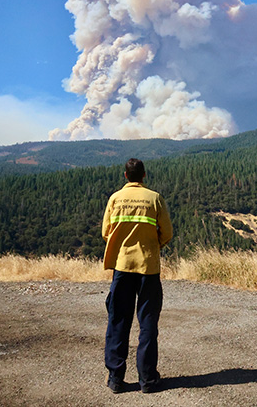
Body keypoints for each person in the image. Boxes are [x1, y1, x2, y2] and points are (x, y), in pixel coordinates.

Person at [102, 158, 173, 394]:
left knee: (118, 321)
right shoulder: (154, 198)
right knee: (148, 323)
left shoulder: (115, 198)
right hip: (148, 268)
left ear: (125, 175)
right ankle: (148, 380)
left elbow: (106, 233)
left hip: (122, 267)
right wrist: (153, 246)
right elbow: (167, 233)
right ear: (144, 176)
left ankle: (115, 379)